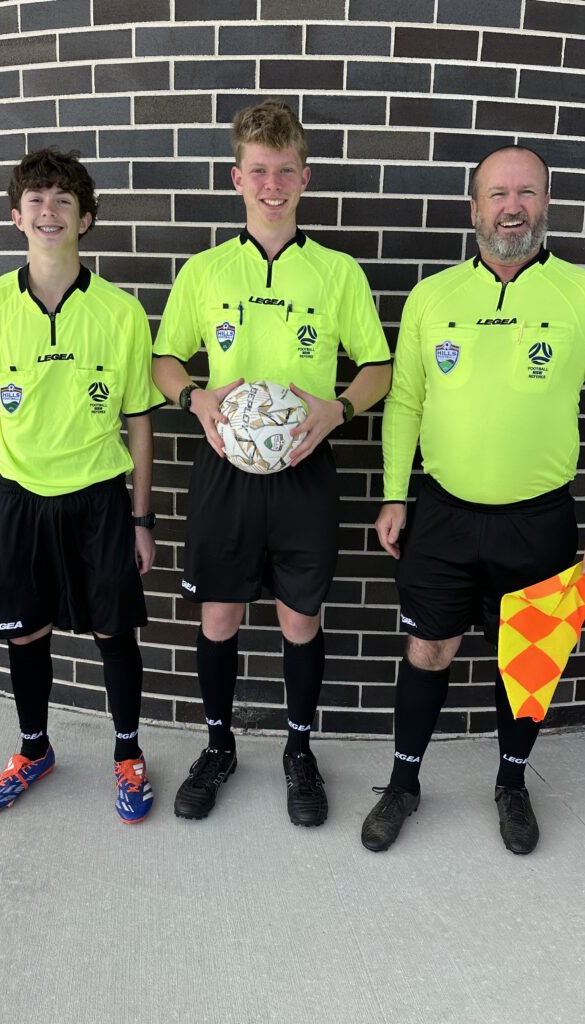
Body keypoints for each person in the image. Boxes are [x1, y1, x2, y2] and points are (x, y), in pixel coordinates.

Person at [361, 145, 585, 855]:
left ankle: (512, 784)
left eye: (527, 192)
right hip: (443, 514)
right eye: (498, 193)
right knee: (428, 647)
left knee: (529, 661)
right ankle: (403, 783)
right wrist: (395, 495)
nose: (513, 207)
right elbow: (406, 404)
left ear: (546, 203)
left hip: (540, 518)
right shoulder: (432, 297)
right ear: (474, 207)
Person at [153, 100, 391, 827]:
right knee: (220, 613)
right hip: (225, 467)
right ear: (237, 177)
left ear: (305, 177)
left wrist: (339, 409)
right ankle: (218, 746)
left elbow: (379, 368)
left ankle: (298, 749)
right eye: (258, 171)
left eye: (286, 170)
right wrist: (195, 399)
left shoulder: (337, 272)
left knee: (299, 619)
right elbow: (164, 361)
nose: (273, 185)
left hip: (305, 466)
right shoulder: (205, 271)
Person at [0, 148, 164, 823]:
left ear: (86, 218)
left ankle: (128, 755)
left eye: (63, 200)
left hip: (100, 499)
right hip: (20, 499)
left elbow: (139, 423)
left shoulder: (121, 311)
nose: (49, 211)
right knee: (25, 634)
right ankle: (33, 750)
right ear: (16, 217)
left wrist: (141, 520)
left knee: (114, 632)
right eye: (36, 200)